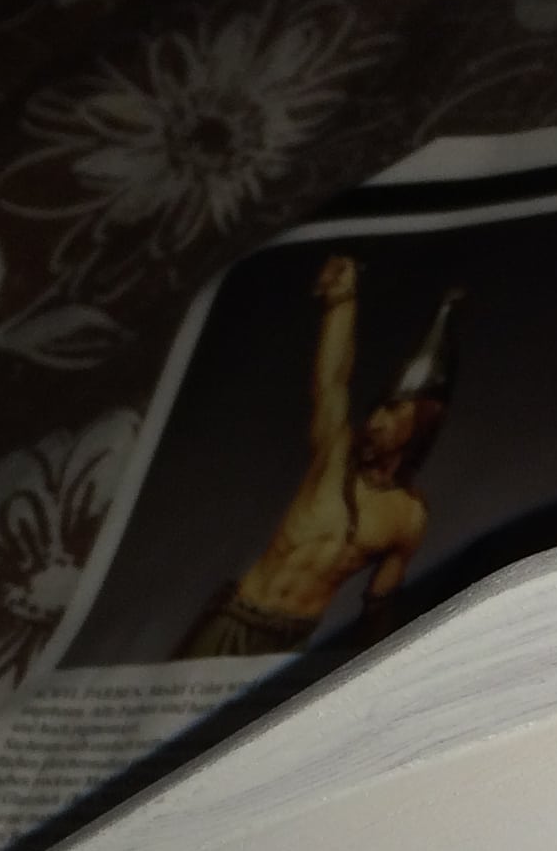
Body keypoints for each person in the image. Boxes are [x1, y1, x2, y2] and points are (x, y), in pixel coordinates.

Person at [178, 254, 463, 659]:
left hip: (289, 641)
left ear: (422, 422)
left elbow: (378, 610)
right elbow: (332, 380)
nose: (376, 421)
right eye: (377, 408)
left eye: (393, 410)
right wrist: (342, 302)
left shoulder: (408, 516)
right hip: (237, 618)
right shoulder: (335, 454)